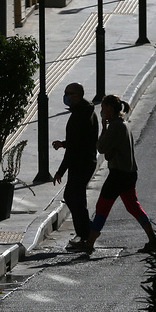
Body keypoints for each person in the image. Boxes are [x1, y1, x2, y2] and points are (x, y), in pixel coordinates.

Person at [71, 94, 156, 255]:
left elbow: (101, 147)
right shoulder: (123, 124)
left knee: (102, 208)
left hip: (118, 175)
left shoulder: (116, 127)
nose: (102, 111)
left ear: (110, 108)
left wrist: (103, 129)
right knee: (134, 207)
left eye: (103, 108)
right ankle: (153, 239)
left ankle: (89, 244)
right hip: (129, 173)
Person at [52, 83, 99, 249]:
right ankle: (87, 231)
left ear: (76, 96)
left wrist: (60, 171)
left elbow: (74, 147)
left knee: (74, 198)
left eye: (68, 93)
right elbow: (77, 141)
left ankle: (86, 233)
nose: (65, 96)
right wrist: (64, 144)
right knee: (76, 198)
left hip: (81, 163)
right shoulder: (85, 111)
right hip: (84, 161)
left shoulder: (81, 115)